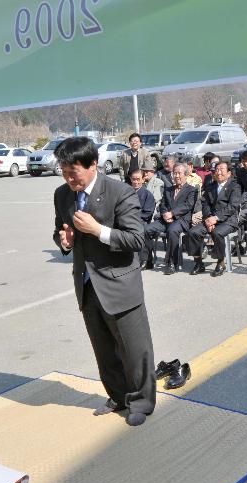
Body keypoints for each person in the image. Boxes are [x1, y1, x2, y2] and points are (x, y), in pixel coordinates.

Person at [52, 137, 155, 427]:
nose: (69, 178)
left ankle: (142, 401)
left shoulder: (120, 192)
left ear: (93, 164)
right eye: (64, 171)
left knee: (135, 350)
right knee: (103, 349)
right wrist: (66, 242)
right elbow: (60, 232)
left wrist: (98, 230)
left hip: (120, 283)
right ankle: (118, 395)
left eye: (74, 171)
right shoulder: (62, 195)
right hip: (86, 284)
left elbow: (136, 239)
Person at [186, 162, 241, 277]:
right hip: (210, 219)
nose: (218, 172)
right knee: (193, 232)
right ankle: (198, 262)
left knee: (217, 233)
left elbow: (233, 207)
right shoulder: (211, 186)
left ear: (229, 173)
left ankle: (220, 262)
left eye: (221, 169)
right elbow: (205, 204)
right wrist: (208, 219)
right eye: (217, 169)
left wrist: (216, 218)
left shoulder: (235, 186)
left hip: (228, 220)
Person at [145, 163, 198, 275]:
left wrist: (172, 214)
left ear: (186, 175)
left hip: (182, 220)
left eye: (179, 173)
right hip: (165, 219)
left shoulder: (192, 190)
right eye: (175, 173)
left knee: (172, 231)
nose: (177, 176)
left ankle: (171, 263)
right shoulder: (168, 189)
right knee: (146, 229)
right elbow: (162, 204)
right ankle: (147, 260)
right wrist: (164, 214)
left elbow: (188, 206)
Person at [129, 169, 156, 270]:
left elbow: (148, 213)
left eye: (138, 179)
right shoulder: (127, 192)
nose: (136, 182)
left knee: (143, 230)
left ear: (143, 179)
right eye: (134, 179)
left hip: (141, 220)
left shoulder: (147, 194)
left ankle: (145, 259)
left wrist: (133, 218)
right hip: (127, 220)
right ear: (130, 179)